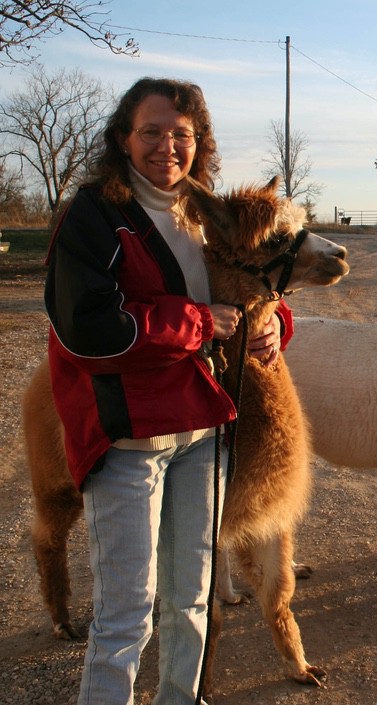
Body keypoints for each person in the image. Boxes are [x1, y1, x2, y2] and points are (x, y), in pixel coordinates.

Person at [45, 77, 293, 705]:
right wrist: (197, 323)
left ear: (199, 142)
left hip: (202, 433)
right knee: (128, 611)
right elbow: (89, 328)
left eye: (181, 134)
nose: (166, 147)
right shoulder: (94, 216)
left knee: (192, 598)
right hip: (131, 436)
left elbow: (250, 280)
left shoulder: (202, 214)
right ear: (124, 138)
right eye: (150, 132)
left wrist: (273, 326)